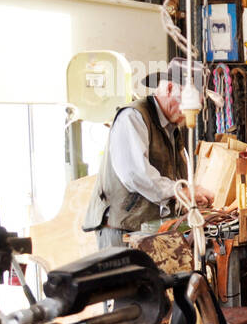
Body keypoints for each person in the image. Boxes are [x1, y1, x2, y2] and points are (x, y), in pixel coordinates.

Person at [82, 66, 214, 248]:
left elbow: (170, 179)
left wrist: (187, 199)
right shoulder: (133, 117)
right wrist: (180, 192)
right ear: (169, 89)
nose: (189, 113)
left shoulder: (171, 128)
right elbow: (135, 174)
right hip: (123, 231)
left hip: (150, 231)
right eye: (188, 104)